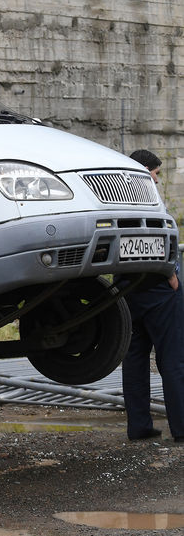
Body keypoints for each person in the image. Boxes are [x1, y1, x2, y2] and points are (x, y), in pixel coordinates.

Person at [120, 149, 184, 443]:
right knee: (173, 360)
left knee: (134, 359)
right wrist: (170, 273)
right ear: (145, 170)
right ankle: (181, 428)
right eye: (155, 174)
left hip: (125, 288)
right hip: (158, 288)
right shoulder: (146, 197)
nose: (157, 181)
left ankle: (139, 427)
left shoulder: (112, 198)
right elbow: (159, 236)